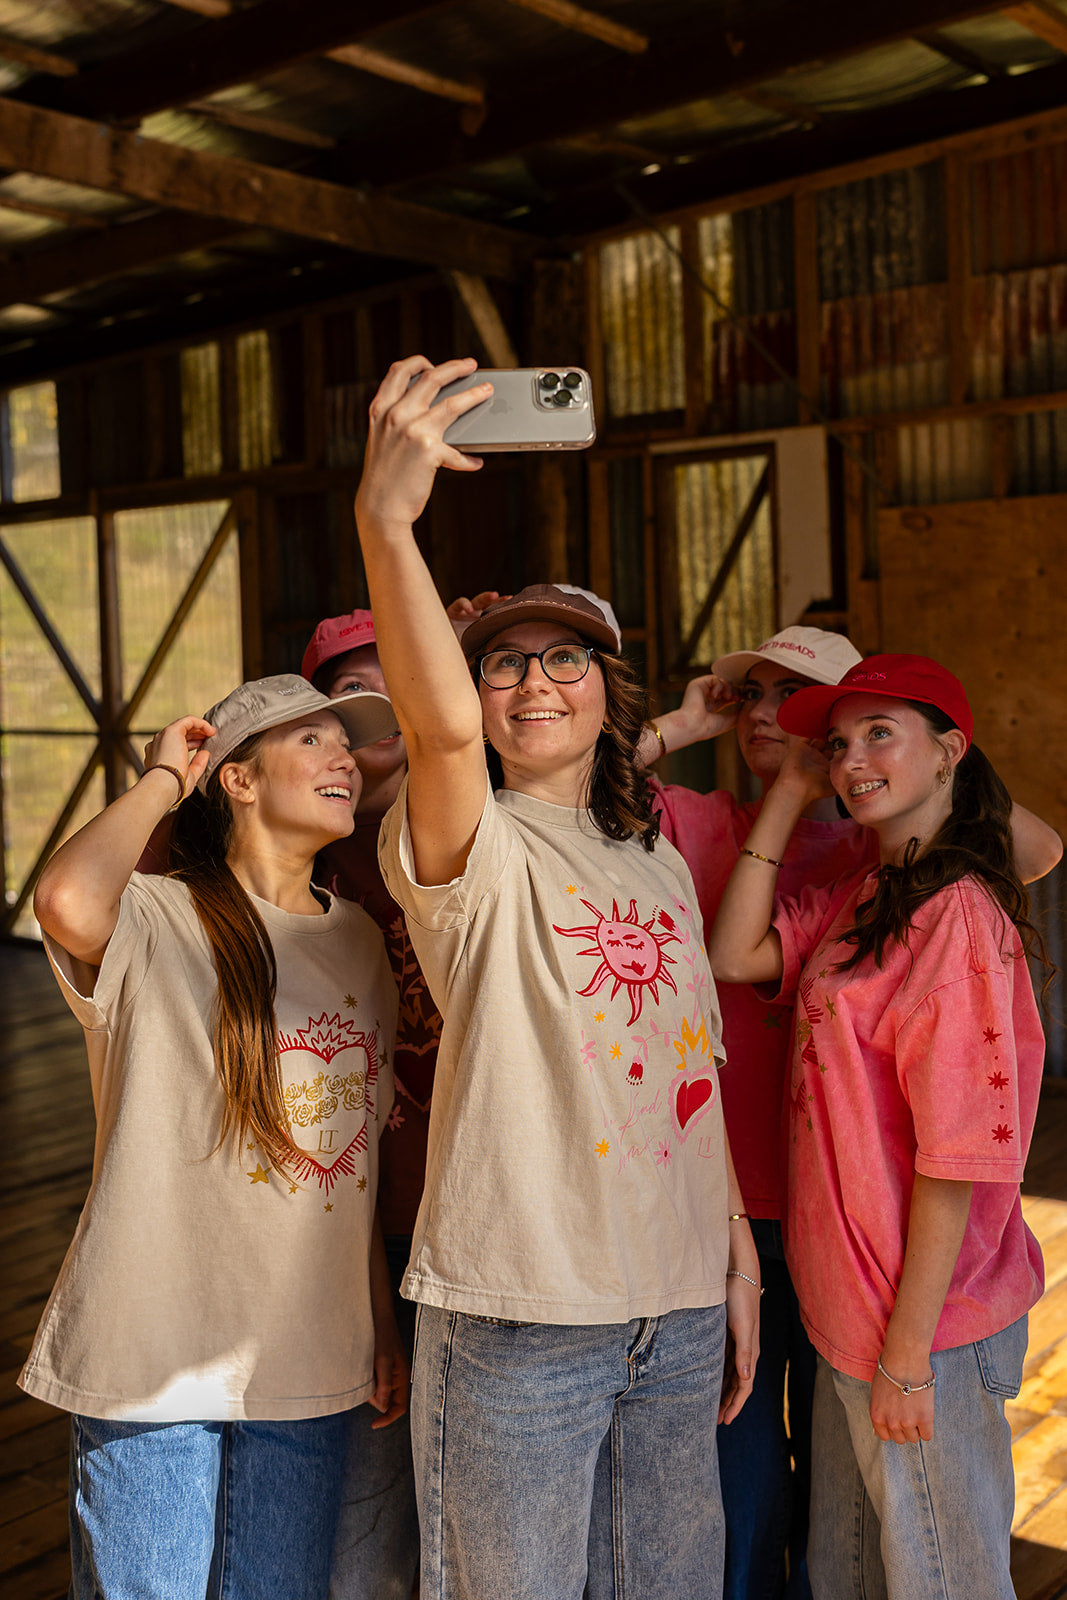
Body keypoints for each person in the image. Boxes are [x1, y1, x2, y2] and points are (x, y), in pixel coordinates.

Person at [354, 354, 761, 1600]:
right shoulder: (469, 843)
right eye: (504, 663)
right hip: (521, 1311)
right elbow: (434, 732)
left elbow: (691, 1075)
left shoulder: (652, 857)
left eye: (565, 659)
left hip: (674, 1308)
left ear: (606, 693)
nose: (535, 679)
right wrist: (386, 522)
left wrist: (733, 1257)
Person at [631, 628, 1061, 1600]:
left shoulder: (956, 914)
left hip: (919, 1326)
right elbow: (732, 956)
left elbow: (957, 1155)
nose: (852, 758)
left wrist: (907, 1350)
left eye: (879, 733)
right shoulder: (864, 895)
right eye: (839, 742)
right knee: (852, 1576)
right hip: (849, 1317)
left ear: (949, 750)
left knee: (942, 1579)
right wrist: (795, 785)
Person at [21, 674, 404, 1600]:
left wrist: (375, 1320)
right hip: (151, 1353)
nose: (343, 759)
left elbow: (350, 1159)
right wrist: (164, 778)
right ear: (236, 779)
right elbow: (65, 899)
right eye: (311, 740)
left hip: (307, 1354)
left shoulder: (361, 941)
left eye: (345, 743)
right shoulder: (157, 913)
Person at [300, 595, 499, 1600]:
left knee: (482, 1516)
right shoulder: (294, 867)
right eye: (353, 698)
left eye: (402, 688)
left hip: (483, 1229)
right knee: (367, 1515)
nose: (383, 715)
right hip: (353, 1231)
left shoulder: (489, 835)